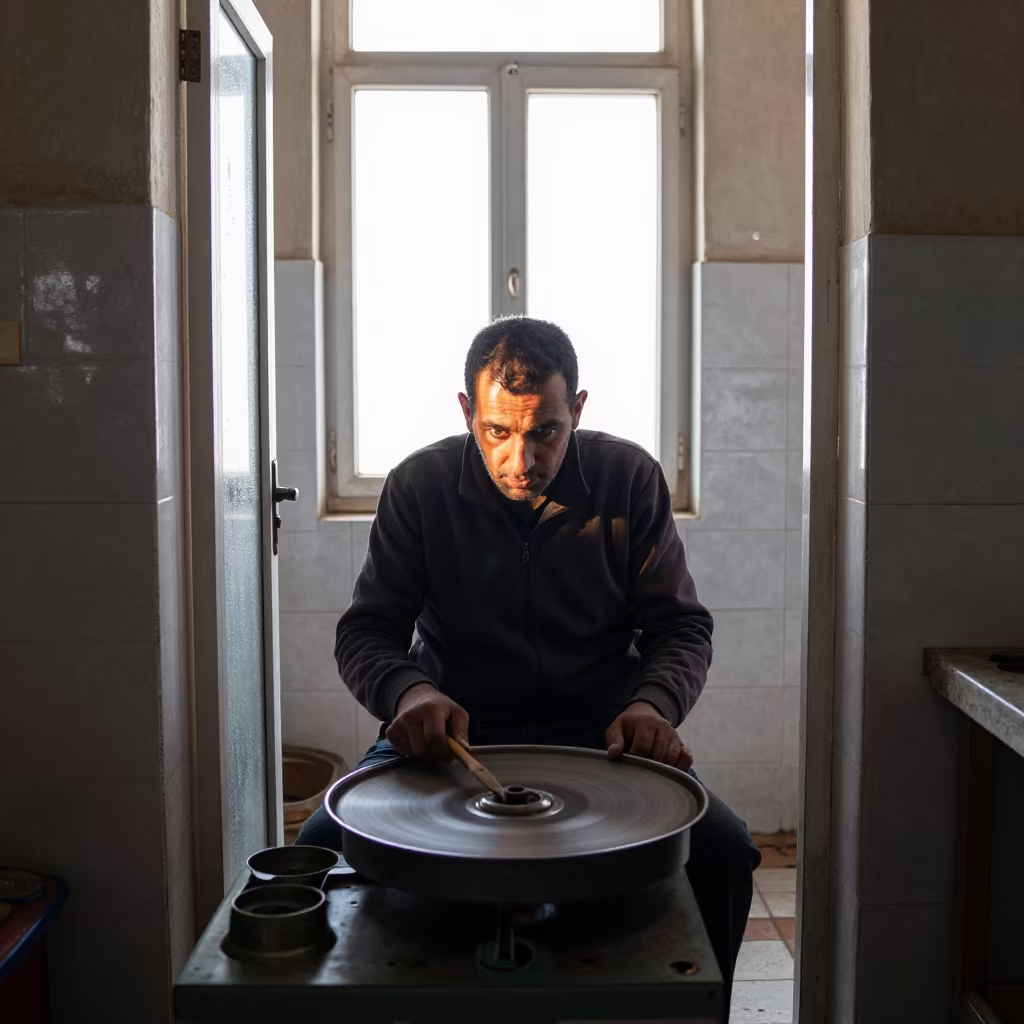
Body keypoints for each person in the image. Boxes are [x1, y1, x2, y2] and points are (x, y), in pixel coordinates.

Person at [298, 316, 761, 1002]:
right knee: (314, 849)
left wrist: (651, 705)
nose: (523, 460)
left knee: (724, 851)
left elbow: (681, 628)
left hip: (600, 740)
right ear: (467, 413)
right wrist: (407, 694)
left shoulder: (628, 478)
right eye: (497, 432)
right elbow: (366, 632)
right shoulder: (417, 488)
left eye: (545, 430)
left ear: (577, 409)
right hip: (452, 740)